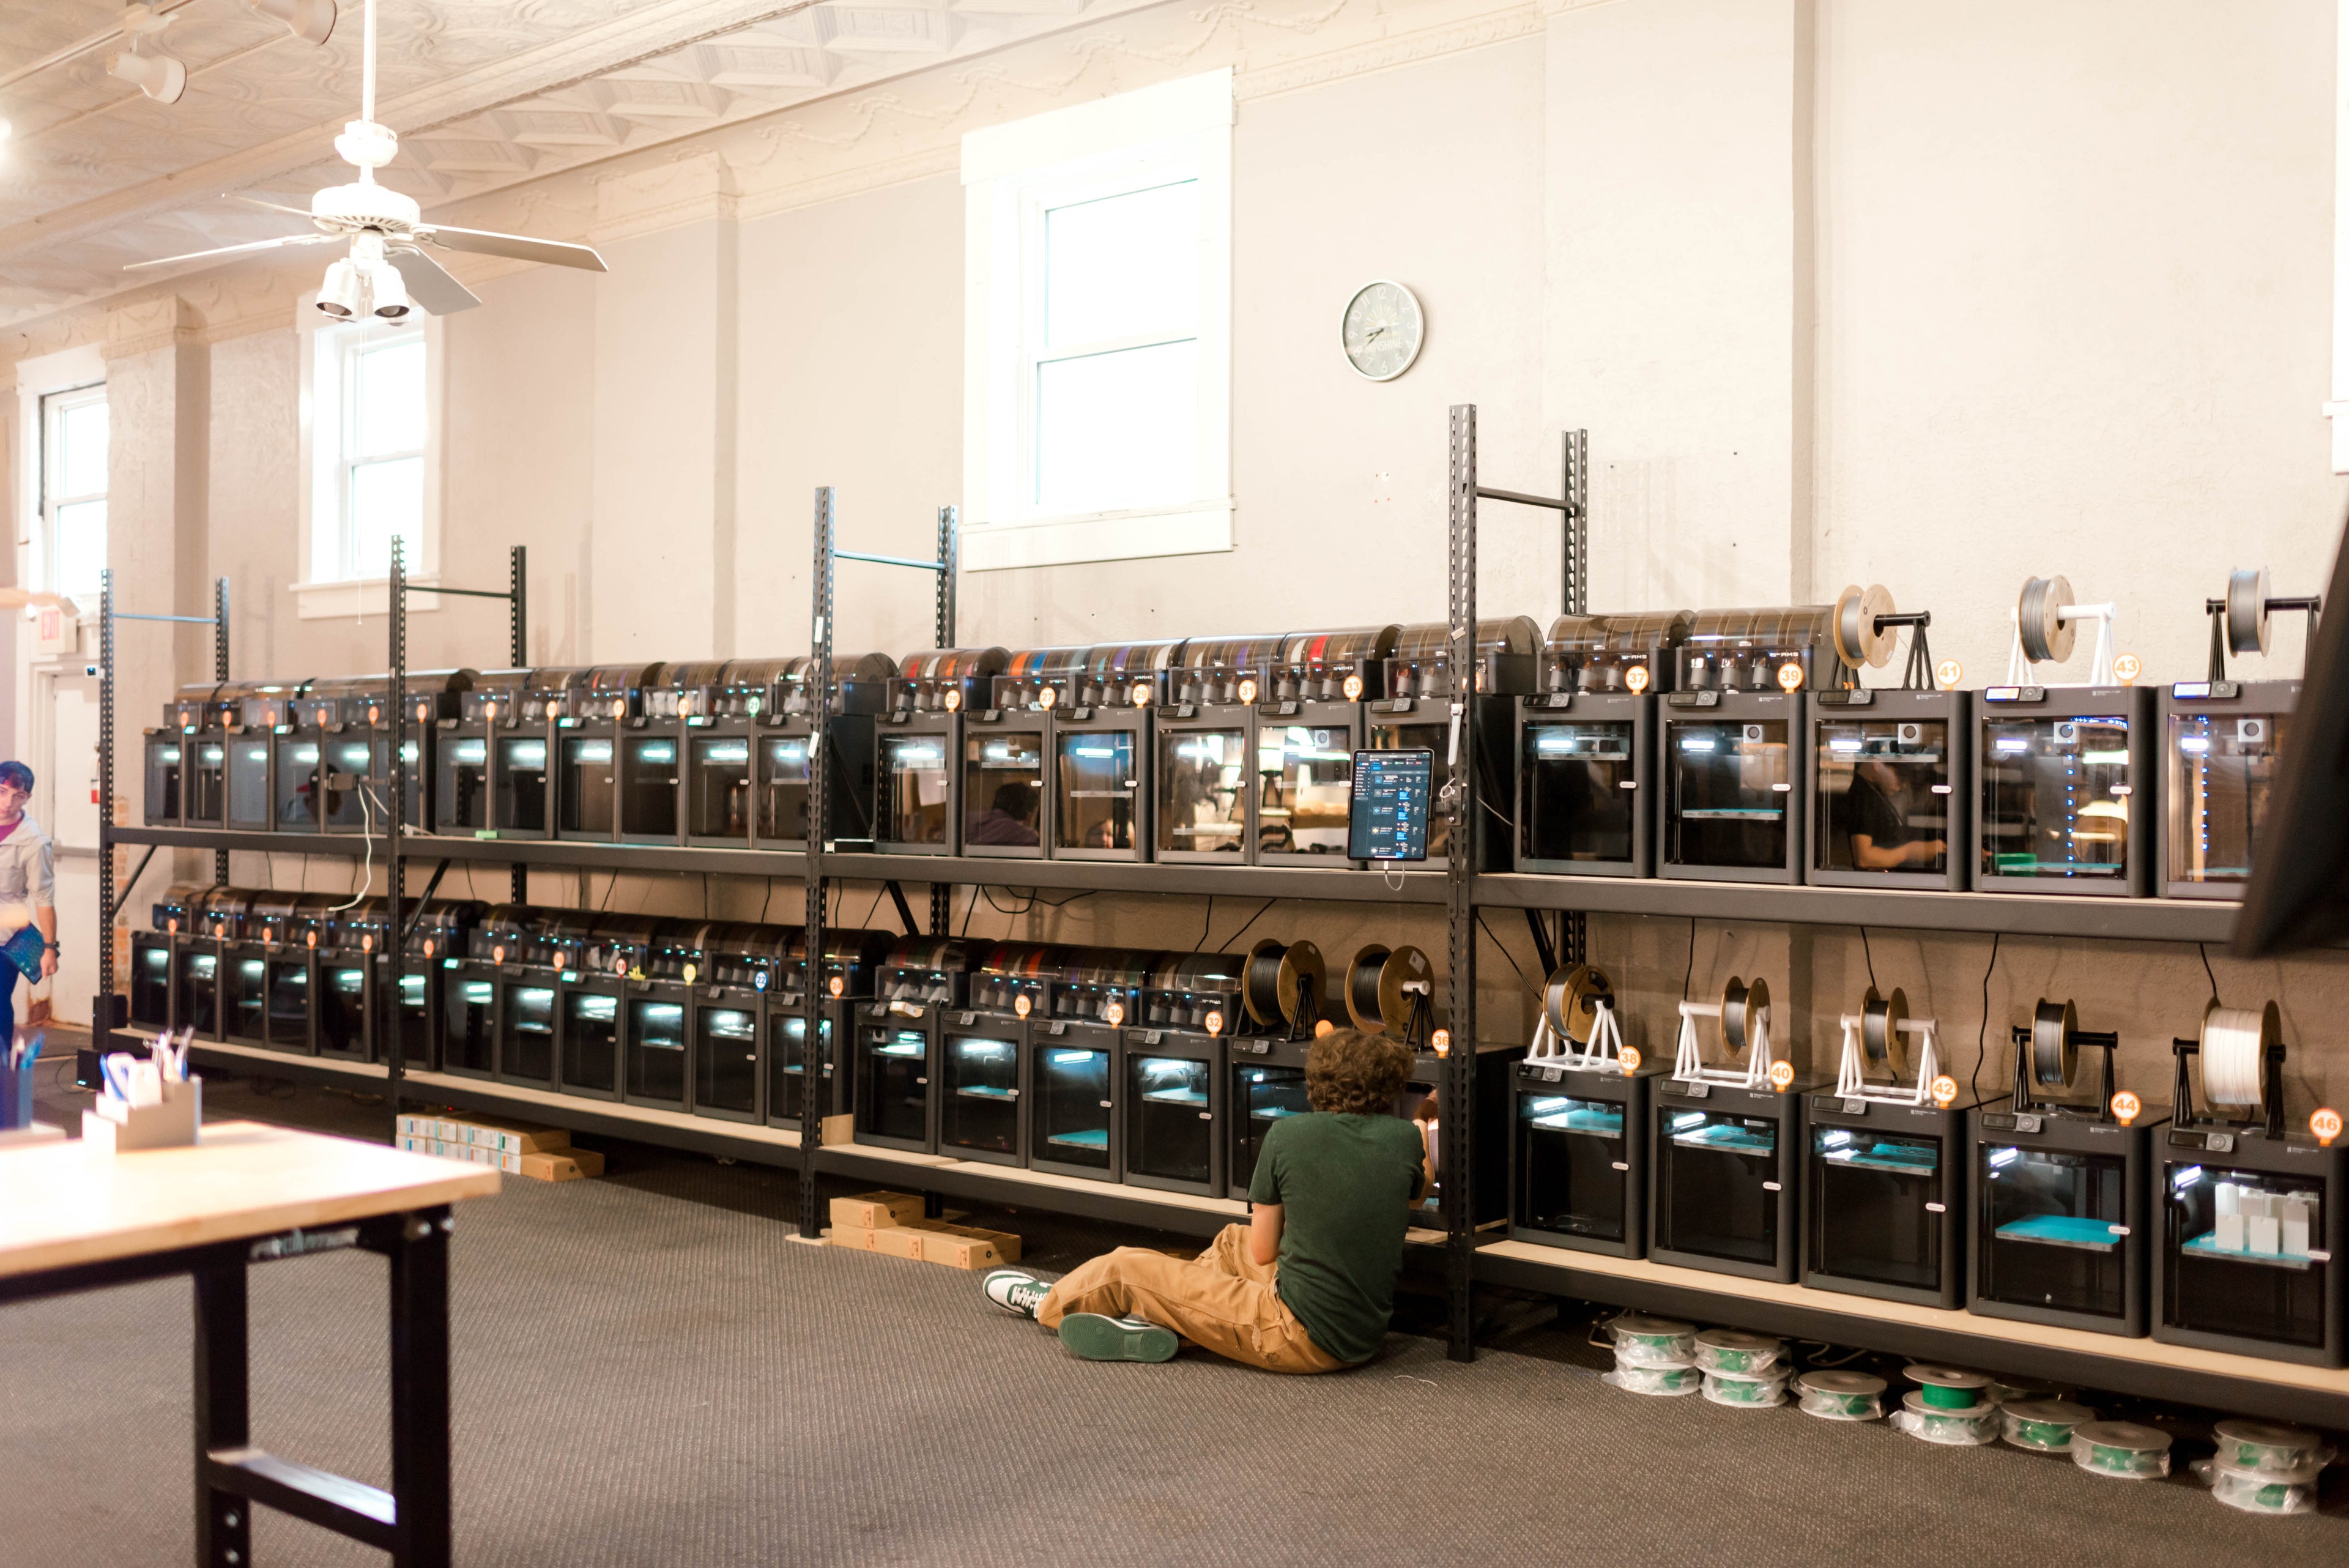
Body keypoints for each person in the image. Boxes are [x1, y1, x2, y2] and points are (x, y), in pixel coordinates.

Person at [981, 1027, 1431, 1370]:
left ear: (1319, 1078)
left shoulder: (1289, 1134)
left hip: (1294, 1333)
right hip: (1363, 1336)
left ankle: (1048, 1303)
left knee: (1126, 1265)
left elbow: (1265, 1250)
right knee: (1233, 1238)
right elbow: (1415, 1196)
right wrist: (1424, 1137)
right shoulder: (1403, 1139)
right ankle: (1155, 1321)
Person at [0, 762, 59, 1043]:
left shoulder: (35, 843)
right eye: (1, 792)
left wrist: (49, 949)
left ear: (27, 798)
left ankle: (2, 1072)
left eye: (17, 796)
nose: (7, 803)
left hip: (5, 936)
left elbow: (44, 898)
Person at [1840, 757, 1946, 871]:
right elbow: (1864, 860)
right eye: (1899, 777)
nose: (1901, 786)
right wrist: (1910, 852)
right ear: (1877, 764)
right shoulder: (1863, 797)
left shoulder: (1872, 793)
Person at [965, 781, 1039, 846]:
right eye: (1030, 809)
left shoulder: (971, 817)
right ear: (1023, 808)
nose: (1030, 814)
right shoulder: (1014, 830)